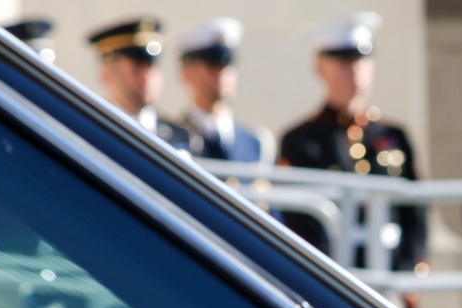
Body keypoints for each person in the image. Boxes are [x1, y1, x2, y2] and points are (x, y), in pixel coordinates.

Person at [278, 11, 427, 291]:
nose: (355, 70)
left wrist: (408, 276)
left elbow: (415, 211)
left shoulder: (393, 135)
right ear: (321, 68)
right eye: (343, 62)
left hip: (390, 275)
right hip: (334, 279)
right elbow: (299, 220)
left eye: (362, 60)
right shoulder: (301, 140)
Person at [175, 17, 275, 164]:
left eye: (227, 64)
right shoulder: (173, 138)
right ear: (186, 73)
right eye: (211, 65)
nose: (222, 74)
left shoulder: (256, 142)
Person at [87, 16, 190, 151]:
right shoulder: (92, 131)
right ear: (107, 73)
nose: (146, 76)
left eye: (151, 66)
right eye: (136, 67)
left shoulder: (179, 135)